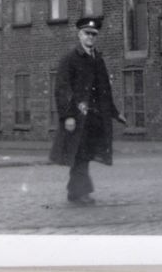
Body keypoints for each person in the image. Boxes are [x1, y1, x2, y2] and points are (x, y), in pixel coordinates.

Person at [49, 17, 124, 204]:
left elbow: (104, 89)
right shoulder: (70, 59)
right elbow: (62, 89)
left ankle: (75, 191)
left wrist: (115, 113)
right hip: (78, 117)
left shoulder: (98, 59)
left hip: (95, 118)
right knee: (80, 153)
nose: (90, 37)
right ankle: (80, 192)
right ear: (79, 35)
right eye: (86, 33)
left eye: (93, 34)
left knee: (85, 153)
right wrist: (67, 116)